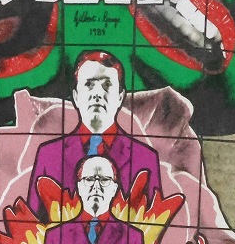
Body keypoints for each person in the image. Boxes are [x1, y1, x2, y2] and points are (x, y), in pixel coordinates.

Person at [27, 49, 162, 219]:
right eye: (89, 85)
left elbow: (156, 225)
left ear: (120, 97)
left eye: (107, 85)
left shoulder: (145, 159)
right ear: (75, 96)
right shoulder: (49, 155)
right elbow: (32, 223)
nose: (98, 94)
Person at [38, 155, 147, 244]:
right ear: (79, 187)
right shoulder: (55, 237)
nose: (96, 186)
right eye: (89, 179)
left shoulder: (133, 237)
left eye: (104, 180)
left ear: (114, 189)